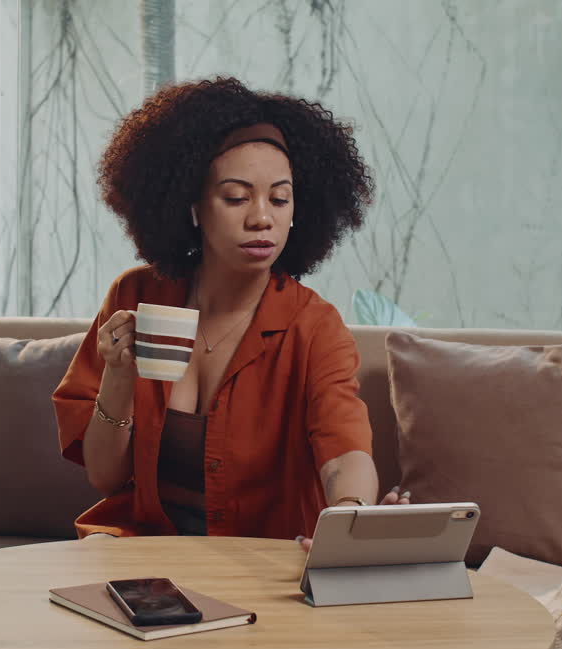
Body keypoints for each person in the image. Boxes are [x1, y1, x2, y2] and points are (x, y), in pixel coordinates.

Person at [53, 76, 408, 549]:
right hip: (141, 548)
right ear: (194, 207)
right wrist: (119, 377)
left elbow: (344, 453)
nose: (262, 217)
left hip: (261, 561)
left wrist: (349, 518)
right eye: (237, 197)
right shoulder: (136, 296)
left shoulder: (313, 326)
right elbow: (105, 476)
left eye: (280, 199)